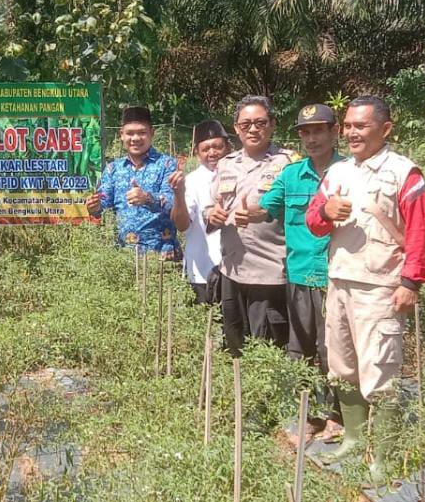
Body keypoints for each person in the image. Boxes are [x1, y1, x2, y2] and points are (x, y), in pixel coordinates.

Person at [307, 95, 425, 481]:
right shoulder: (338, 172)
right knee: (342, 365)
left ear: (385, 129)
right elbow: (314, 219)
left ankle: (380, 458)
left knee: (380, 372)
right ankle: (352, 440)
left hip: (381, 287)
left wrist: (411, 281)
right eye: (347, 126)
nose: (351, 132)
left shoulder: (404, 173)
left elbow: (423, 231)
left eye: (360, 126)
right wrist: (325, 212)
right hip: (340, 282)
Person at [255, 104, 344, 434]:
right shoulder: (291, 174)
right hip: (300, 271)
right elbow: (265, 208)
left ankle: (339, 416)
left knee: (333, 350)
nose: (311, 138)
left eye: (318, 130)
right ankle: (310, 415)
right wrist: (238, 213)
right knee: (302, 348)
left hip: (338, 276)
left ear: (335, 132)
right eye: (305, 132)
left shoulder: (350, 172)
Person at [208, 95, 296, 357]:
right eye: (245, 124)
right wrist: (211, 214)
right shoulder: (226, 164)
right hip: (232, 270)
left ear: (272, 124)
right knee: (234, 343)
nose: (253, 129)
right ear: (236, 128)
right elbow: (213, 206)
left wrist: (263, 212)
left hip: (269, 272)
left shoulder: (288, 164)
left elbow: (297, 213)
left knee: (268, 347)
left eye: (260, 122)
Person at [85, 106, 178, 255]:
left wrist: (148, 198)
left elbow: (174, 204)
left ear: (152, 133)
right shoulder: (112, 169)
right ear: (121, 135)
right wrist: (94, 206)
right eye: (130, 133)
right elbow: (103, 205)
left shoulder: (167, 165)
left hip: (161, 255)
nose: (135, 138)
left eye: (142, 133)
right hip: (123, 257)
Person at [170, 119, 229, 304]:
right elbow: (181, 225)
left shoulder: (240, 174)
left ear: (227, 147)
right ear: (197, 153)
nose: (212, 153)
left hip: (238, 272)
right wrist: (178, 194)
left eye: (217, 147)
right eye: (205, 149)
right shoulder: (192, 181)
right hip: (202, 271)